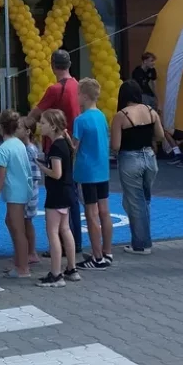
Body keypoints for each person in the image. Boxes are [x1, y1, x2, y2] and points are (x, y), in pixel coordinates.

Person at [28, 49, 83, 253]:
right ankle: (74, 243)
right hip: (72, 143)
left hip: (56, 145)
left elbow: (36, 113)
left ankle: (61, 246)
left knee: (58, 197)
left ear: (53, 66)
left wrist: (23, 126)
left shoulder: (55, 89)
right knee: (71, 195)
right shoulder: (77, 86)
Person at [112, 80, 166, 256]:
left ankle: (141, 244)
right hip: (149, 157)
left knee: (135, 202)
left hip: (130, 159)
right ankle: (143, 239)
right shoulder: (151, 111)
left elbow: (116, 145)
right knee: (144, 199)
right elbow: (160, 135)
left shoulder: (121, 115)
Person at [36, 109, 80, 287]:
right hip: (67, 191)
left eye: (43, 123)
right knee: (65, 229)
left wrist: (41, 167)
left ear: (53, 126)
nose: (40, 126)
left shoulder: (56, 147)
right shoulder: (65, 143)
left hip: (56, 194)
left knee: (53, 232)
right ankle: (71, 268)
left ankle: (56, 273)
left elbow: (56, 173)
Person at [74, 78, 114, 269]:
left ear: (84, 96)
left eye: (78, 94)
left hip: (87, 171)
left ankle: (97, 257)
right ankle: (107, 251)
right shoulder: (101, 116)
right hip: (102, 170)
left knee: (91, 213)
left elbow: (74, 147)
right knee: (104, 211)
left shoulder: (80, 120)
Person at [0, 110, 34, 279]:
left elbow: (1, 175)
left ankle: (23, 267)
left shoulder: (4, 148)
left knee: (18, 230)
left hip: (15, 192)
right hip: (22, 189)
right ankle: (20, 261)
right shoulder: (19, 144)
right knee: (11, 222)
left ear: (1, 128)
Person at [18, 116, 43, 268]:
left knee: (27, 222)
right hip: (26, 191)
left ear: (27, 132)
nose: (16, 130)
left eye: (19, 128)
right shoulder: (25, 148)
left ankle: (31, 252)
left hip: (29, 193)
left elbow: (33, 175)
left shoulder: (29, 150)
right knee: (24, 221)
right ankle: (28, 251)